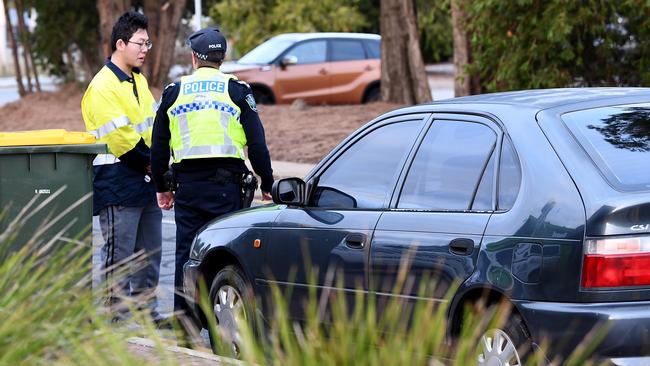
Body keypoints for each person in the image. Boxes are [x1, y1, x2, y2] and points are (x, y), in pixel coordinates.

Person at [150, 27, 274, 321]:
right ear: (222, 58)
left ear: (194, 58)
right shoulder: (237, 90)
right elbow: (257, 143)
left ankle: (185, 322)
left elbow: (158, 146)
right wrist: (267, 182)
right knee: (225, 251)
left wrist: (161, 187)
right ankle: (222, 317)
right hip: (226, 188)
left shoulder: (174, 92)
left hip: (188, 187)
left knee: (185, 253)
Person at [81, 11, 163, 322]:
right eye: (140, 43)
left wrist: (160, 163)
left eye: (148, 43)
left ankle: (147, 315)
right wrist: (153, 165)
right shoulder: (102, 86)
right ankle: (115, 319)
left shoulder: (138, 81)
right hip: (117, 182)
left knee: (150, 254)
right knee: (120, 257)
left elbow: (152, 128)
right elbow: (121, 141)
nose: (145, 49)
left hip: (144, 179)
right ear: (120, 43)